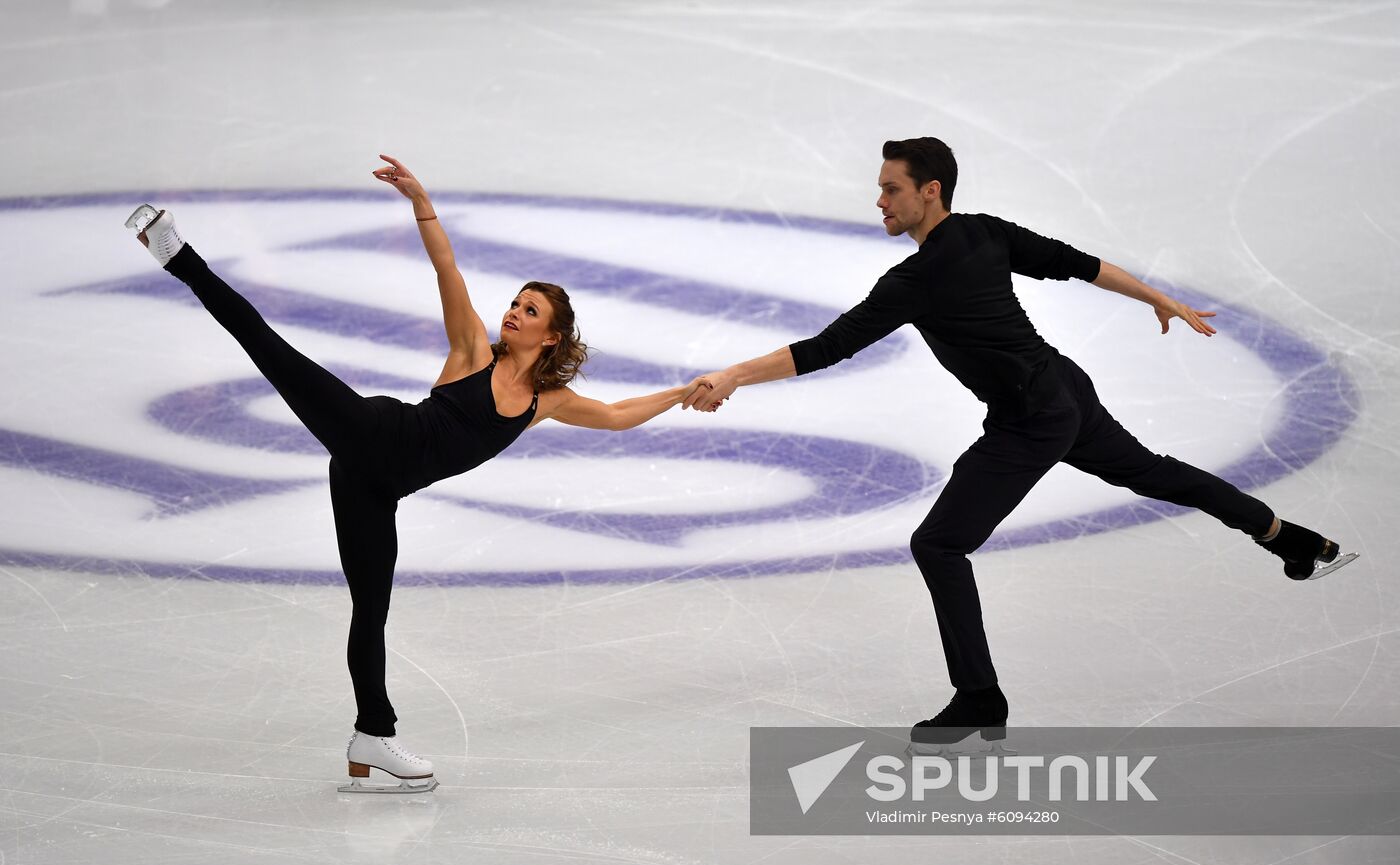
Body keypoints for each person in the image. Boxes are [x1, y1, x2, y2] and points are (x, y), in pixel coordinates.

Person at [683, 137, 1357, 753]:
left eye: (891, 188)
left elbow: (827, 348)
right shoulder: (985, 234)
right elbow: (1080, 266)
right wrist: (1156, 296)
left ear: (930, 192)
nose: (879, 199)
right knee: (1153, 472)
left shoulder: (915, 281)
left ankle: (980, 695)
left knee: (938, 544)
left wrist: (735, 374)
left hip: (1032, 416)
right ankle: (1287, 536)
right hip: (1063, 388)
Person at [126, 155, 711, 792]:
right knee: (265, 343)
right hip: (366, 430)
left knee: (369, 610)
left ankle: (371, 738)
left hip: (372, 485)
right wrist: (421, 202)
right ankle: (175, 252)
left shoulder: (548, 402)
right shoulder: (471, 351)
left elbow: (620, 413)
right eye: (515, 303)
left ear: (551, 337)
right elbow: (447, 268)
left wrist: (681, 392)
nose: (514, 313)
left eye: (530, 311)